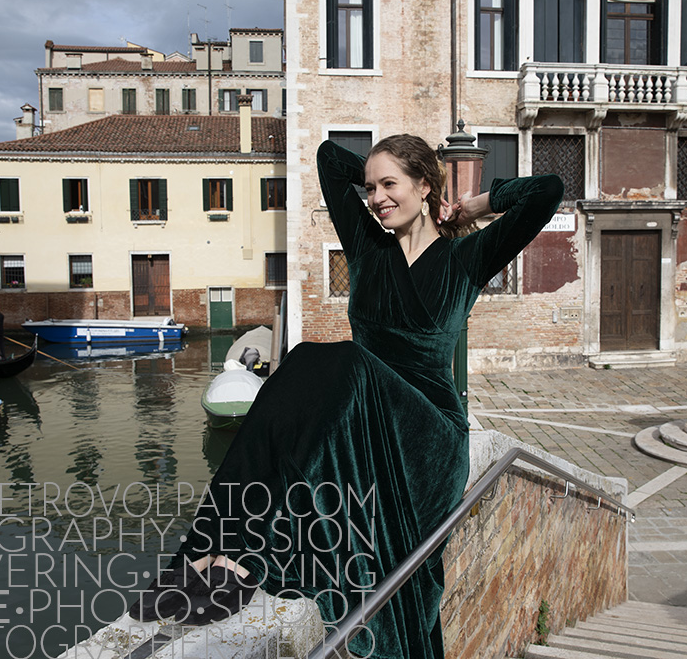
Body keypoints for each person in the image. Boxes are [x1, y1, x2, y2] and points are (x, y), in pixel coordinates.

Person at [132, 135, 563, 658]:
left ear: (425, 185)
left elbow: (546, 191)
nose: (377, 197)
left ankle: (253, 559)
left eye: (390, 184)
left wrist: (475, 204)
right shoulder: (365, 242)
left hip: (426, 431)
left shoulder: (467, 256)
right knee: (306, 362)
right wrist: (379, 171)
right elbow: (328, 159)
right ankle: (211, 547)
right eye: (370, 187)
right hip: (363, 408)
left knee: (343, 362)